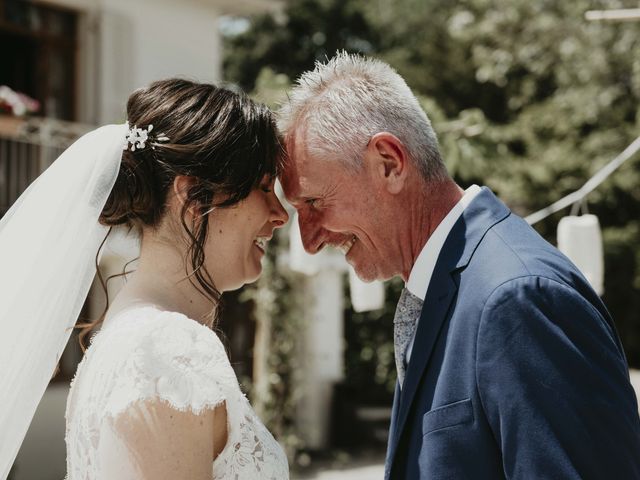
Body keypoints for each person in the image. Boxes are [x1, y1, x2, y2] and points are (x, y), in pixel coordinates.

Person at [278, 52, 640, 479]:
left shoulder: (518, 298)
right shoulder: (451, 287)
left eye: (315, 203)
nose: (310, 239)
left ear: (390, 163)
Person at [0, 79, 290, 479]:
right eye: (262, 187)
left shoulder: (136, 333)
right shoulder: (165, 350)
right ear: (193, 199)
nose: (280, 214)